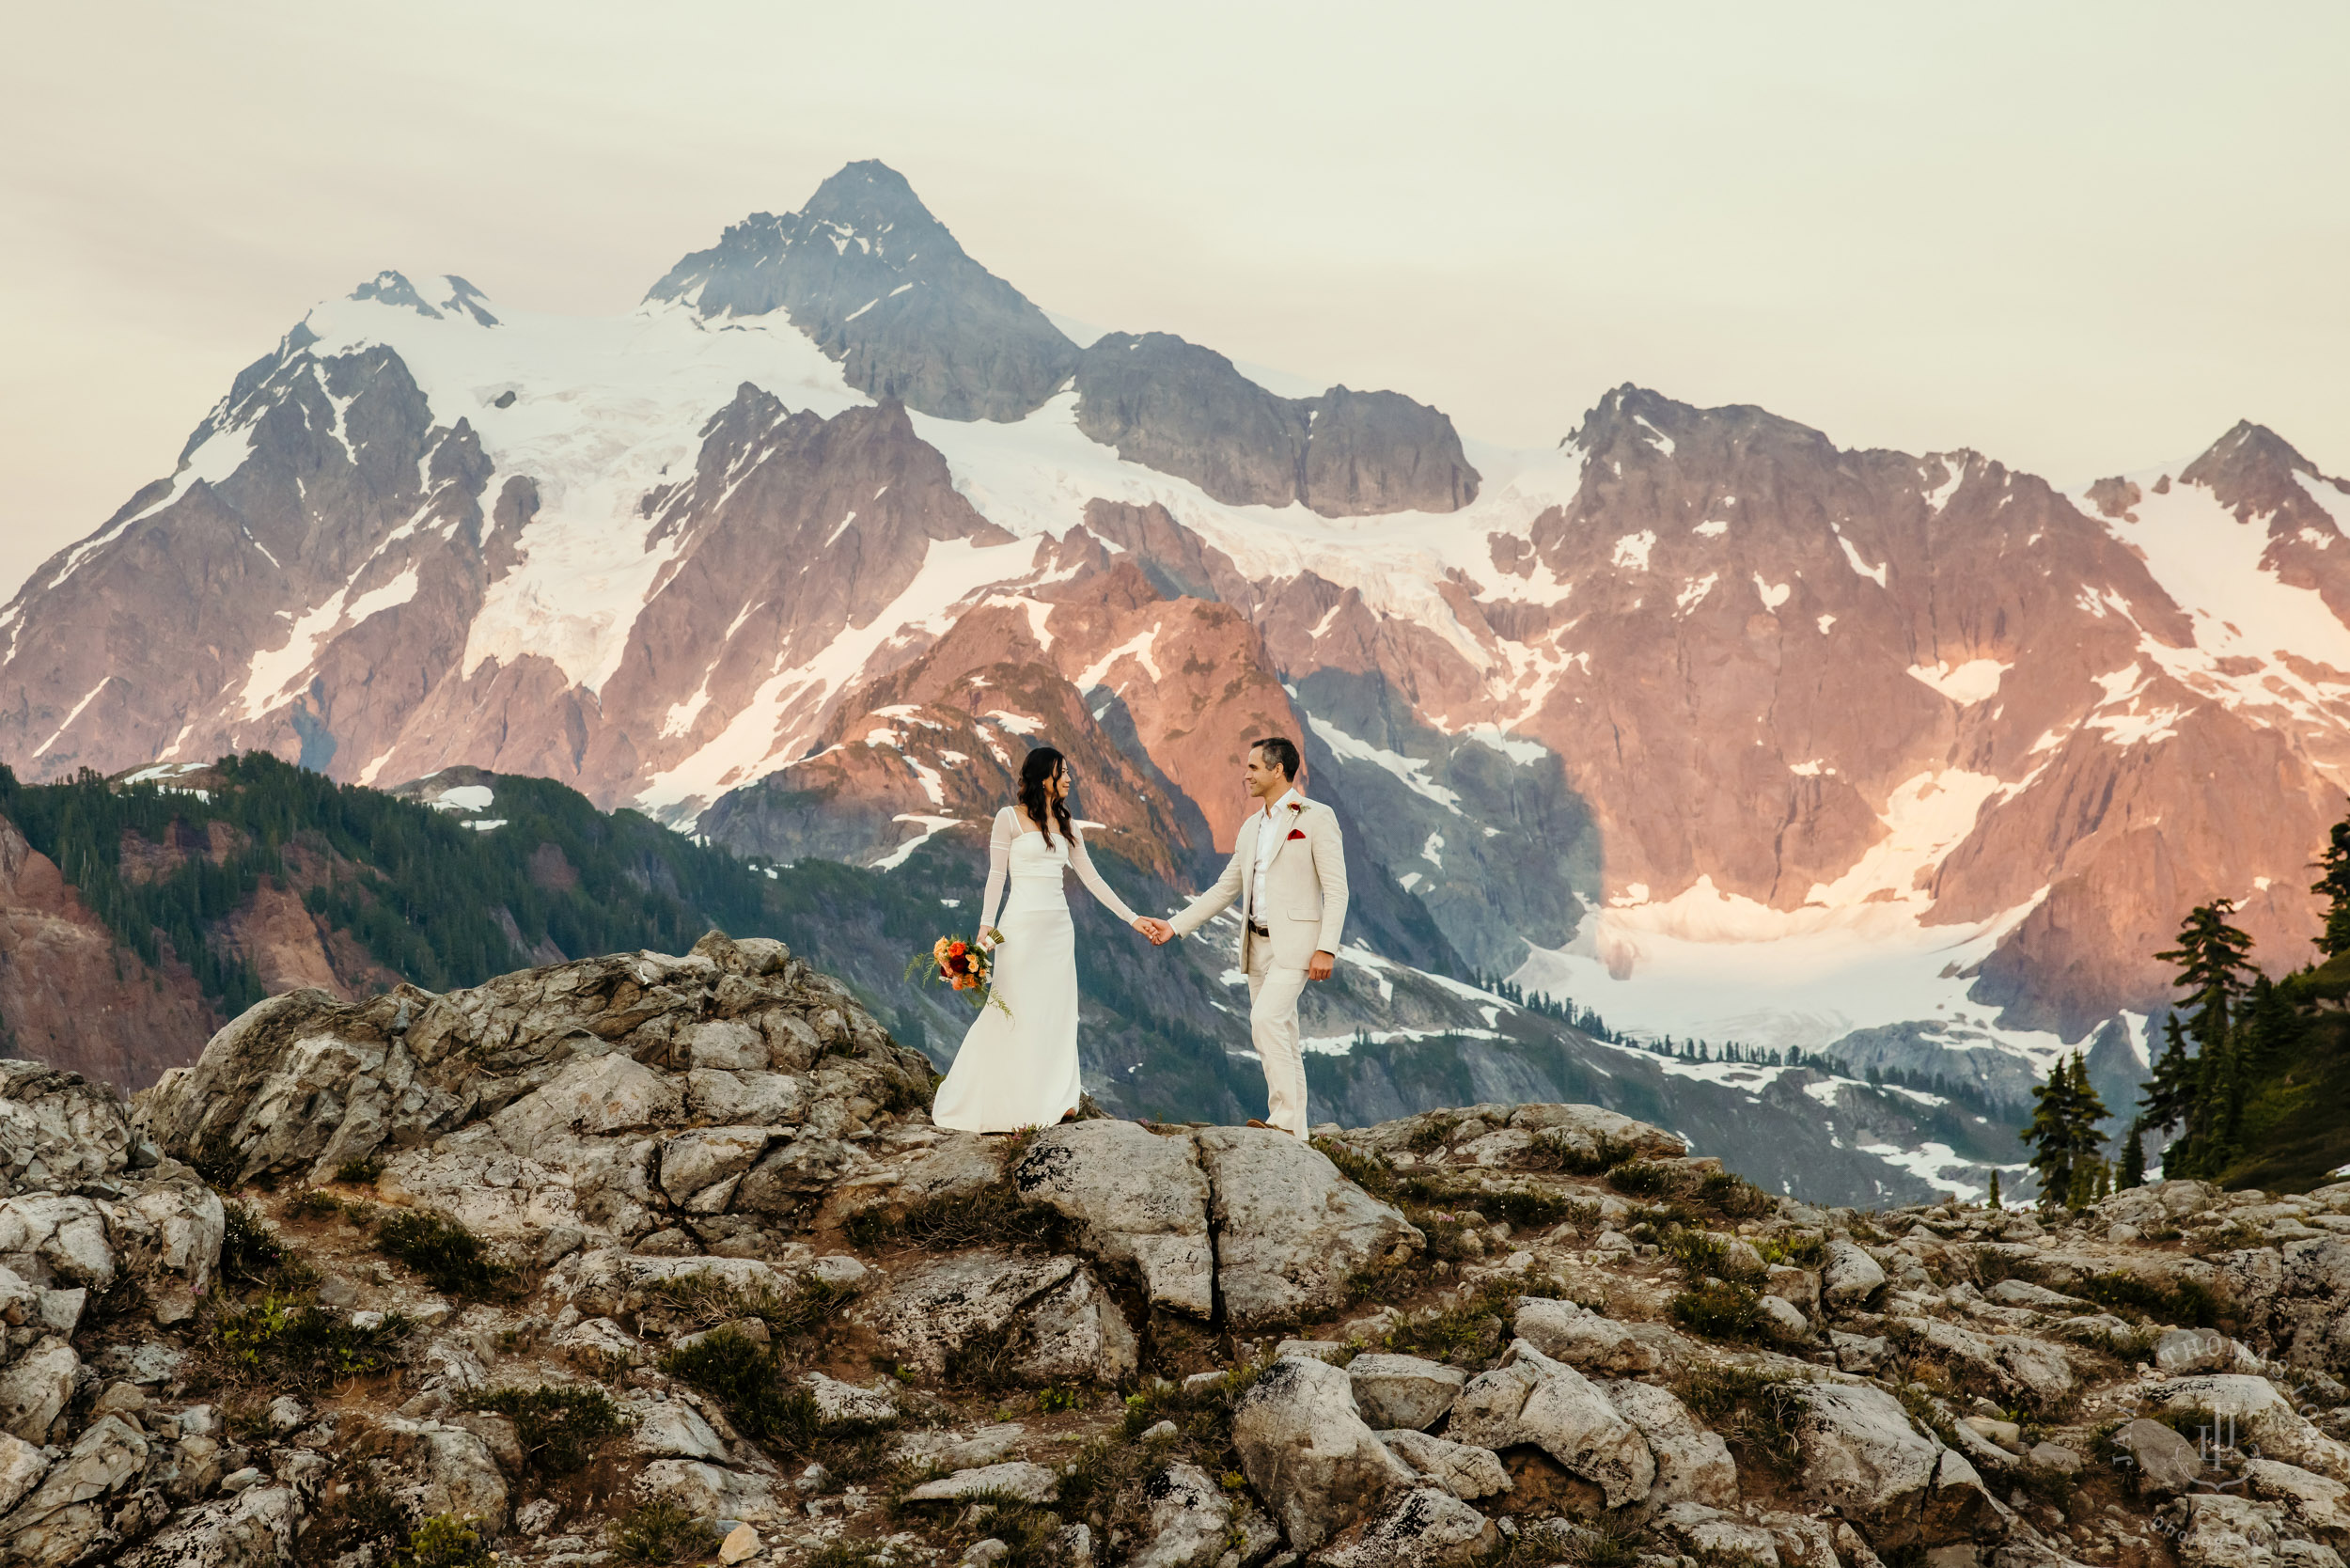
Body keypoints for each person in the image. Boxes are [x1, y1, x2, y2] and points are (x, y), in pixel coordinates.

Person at [932, 746, 1159, 1134]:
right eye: (1062, 772)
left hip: (1058, 931)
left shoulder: (1069, 824)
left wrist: (1133, 918)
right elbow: (995, 876)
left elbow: (1092, 879)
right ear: (1042, 778)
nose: (1069, 778)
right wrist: (986, 929)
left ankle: (1054, 1100)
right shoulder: (1008, 819)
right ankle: (995, 1101)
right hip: (1017, 930)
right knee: (1012, 1010)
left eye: (1069, 771)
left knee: (1055, 1013)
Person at [1144, 736, 1348, 1137]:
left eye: (1254, 767)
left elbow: (1337, 888)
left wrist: (1326, 947)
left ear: (1278, 770)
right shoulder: (1250, 827)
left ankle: (1283, 1125)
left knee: (1265, 1020)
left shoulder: (1315, 817)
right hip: (1257, 945)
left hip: (1298, 945)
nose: (1246, 774)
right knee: (1284, 1035)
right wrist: (1175, 925)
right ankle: (1298, 1135)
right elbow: (1225, 889)